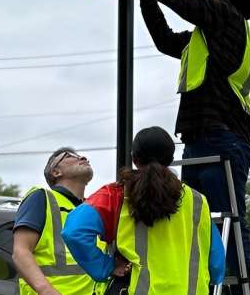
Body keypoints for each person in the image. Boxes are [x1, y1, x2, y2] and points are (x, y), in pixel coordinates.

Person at [122, 0, 250, 282]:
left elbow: (180, 0)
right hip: (202, 139)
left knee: (226, 222)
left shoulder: (227, 16)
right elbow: (165, 40)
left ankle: (238, 287)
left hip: (221, 137)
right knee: (196, 221)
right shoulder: (206, 38)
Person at [62, 126, 225, 294]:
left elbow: (74, 231)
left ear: (134, 159)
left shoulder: (116, 195)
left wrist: (106, 267)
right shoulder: (198, 201)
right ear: (170, 159)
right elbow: (216, 264)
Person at [12, 147, 99, 295]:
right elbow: (20, 251)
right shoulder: (41, 197)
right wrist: (47, 291)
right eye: (70, 156)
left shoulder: (93, 209)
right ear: (56, 172)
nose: (83, 158)